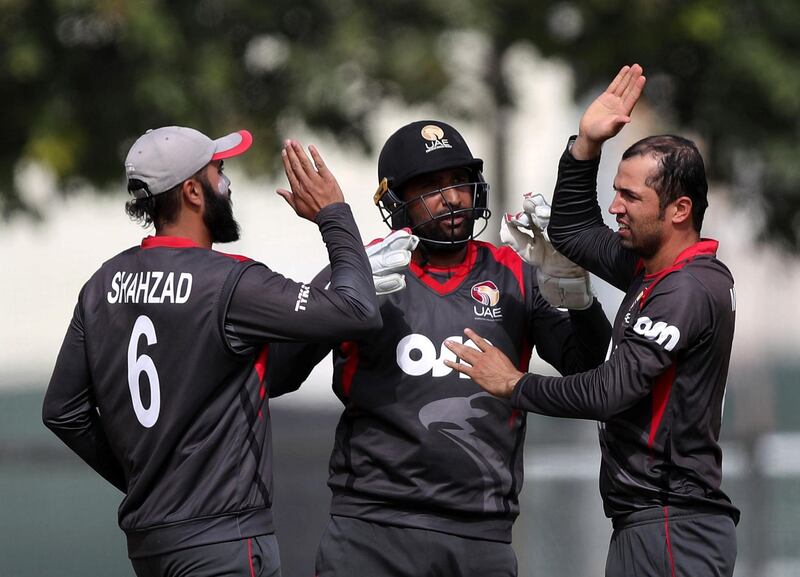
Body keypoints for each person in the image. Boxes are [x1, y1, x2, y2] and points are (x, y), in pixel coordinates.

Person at [266, 120, 612, 577]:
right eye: (431, 186)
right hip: (371, 529)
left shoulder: (515, 273)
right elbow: (277, 374)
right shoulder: (362, 270)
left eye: (459, 182)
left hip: (480, 534)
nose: (451, 198)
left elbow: (584, 365)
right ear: (395, 201)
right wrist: (337, 300)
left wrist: (577, 296)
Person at [42, 126, 382, 577]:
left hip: (152, 543)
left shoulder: (102, 283)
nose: (226, 182)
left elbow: (63, 411)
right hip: (223, 542)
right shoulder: (228, 279)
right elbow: (359, 312)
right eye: (219, 171)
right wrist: (335, 216)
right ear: (192, 192)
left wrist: (146, 483)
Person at [444, 64, 739, 577]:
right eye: (616, 190)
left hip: (674, 526)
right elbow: (575, 230)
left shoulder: (689, 288)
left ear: (679, 209)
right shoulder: (653, 268)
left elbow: (609, 392)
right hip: (649, 523)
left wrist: (514, 384)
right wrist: (584, 145)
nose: (614, 206)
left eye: (631, 197)